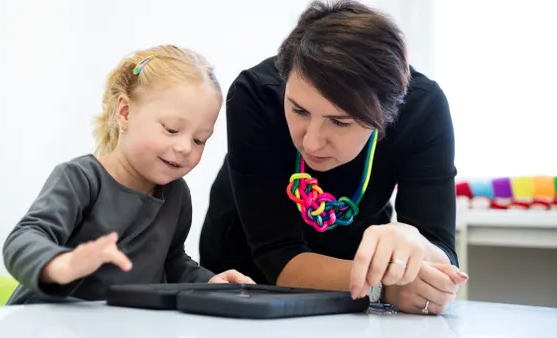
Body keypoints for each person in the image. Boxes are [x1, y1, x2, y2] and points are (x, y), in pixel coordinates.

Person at [199, 0, 468, 315]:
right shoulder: (255, 94)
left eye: (339, 121)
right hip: (246, 273)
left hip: (354, 268)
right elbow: (278, 256)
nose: (311, 141)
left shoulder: (423, 107)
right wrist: (385, 286)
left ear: (387, 112)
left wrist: (416, 244)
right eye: (298, 110)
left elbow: (443, 258)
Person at [2, 45, 254, 305]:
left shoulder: (176, 194)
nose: (185, 148)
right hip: (41, 323)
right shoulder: (81, 178)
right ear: (125, 112)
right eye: (171, 129)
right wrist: (62, 264)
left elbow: (172, 263)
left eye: (200, 140)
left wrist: (209, 283)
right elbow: (23, 238)